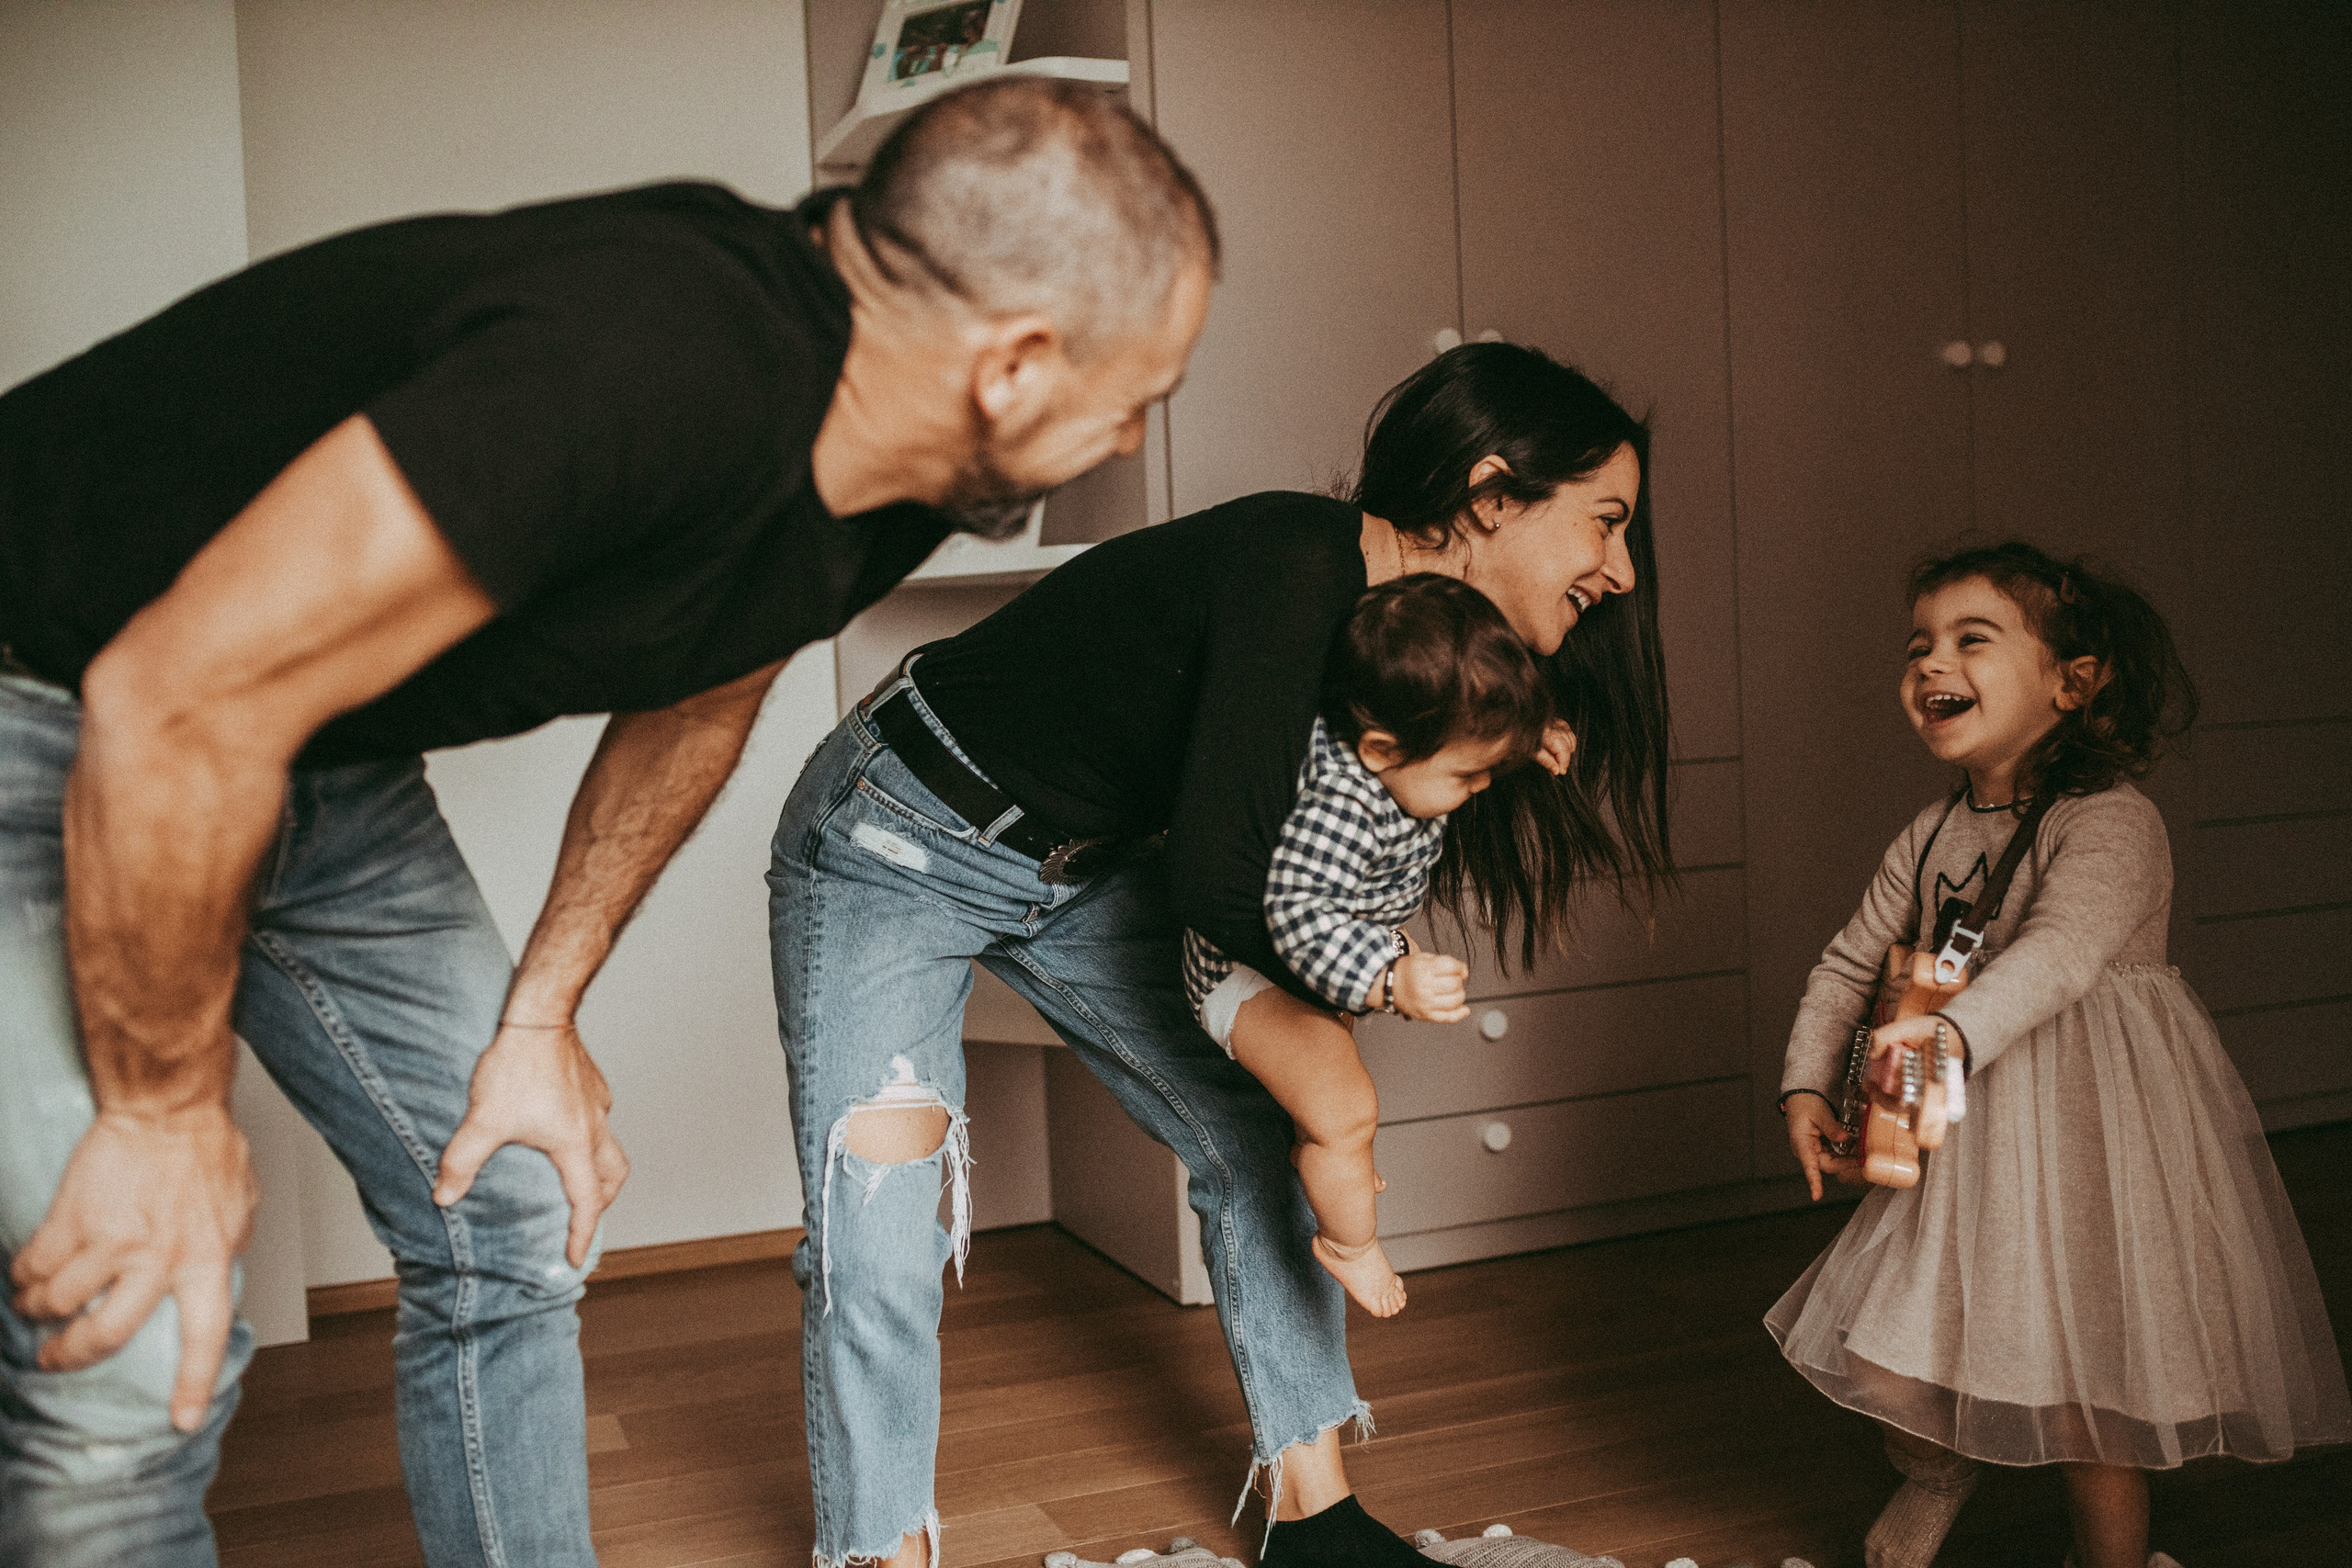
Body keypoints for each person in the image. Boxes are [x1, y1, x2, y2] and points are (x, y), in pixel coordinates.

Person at [0, 77, 1215, 1568]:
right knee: (130, 1335)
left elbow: (707, 688)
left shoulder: (890, 464)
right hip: (61, 721)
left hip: (308, 749)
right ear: (1017, 365)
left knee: (509, 1204)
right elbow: (176, 699)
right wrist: (159, 1117)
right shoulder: (644, 361)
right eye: (1136, 391)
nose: (1130, 429)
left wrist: (540, 1017)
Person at [768, 342, 1673, 1568]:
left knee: (1256, 1133)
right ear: (1491, 496)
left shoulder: (1411, 653)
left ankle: (1318, 1518)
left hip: (1083, 861)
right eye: (1605, 523)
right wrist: (1352, 997)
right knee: (880, 1214)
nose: (1619, 571)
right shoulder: (1297, 562)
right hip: (902, 836)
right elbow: (1221, 877)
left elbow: (1305, 851)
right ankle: (878, 1553)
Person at [1770, 543, 2352, 1568]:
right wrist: (1807, 1082)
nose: (1928, 663)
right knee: (1894, 1347)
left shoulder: (2114, 822)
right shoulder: (1931, 830)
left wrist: (1948, 1033)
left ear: (2070, 682)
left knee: (2094, 1395)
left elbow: (2062, 954)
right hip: (1959, 1132)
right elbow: (1847, 960)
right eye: (1918, 645)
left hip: (2088, 1136)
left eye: (1970, 639)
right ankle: (1939, 1467)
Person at [1180, 572, 1569, 1319]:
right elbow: (1294, 913)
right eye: (1470, 771)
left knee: (1333, 1115)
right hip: (1250, 972)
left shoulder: (1407, 745)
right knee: (1347, 1109)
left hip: (1329, 955)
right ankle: (1348, 1243)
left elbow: (1463, 741)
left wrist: (1528, 736)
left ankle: (1328, 1154)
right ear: (1382, 748)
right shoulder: (1342, 800)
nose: (1483, 784)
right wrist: (1390, 977)